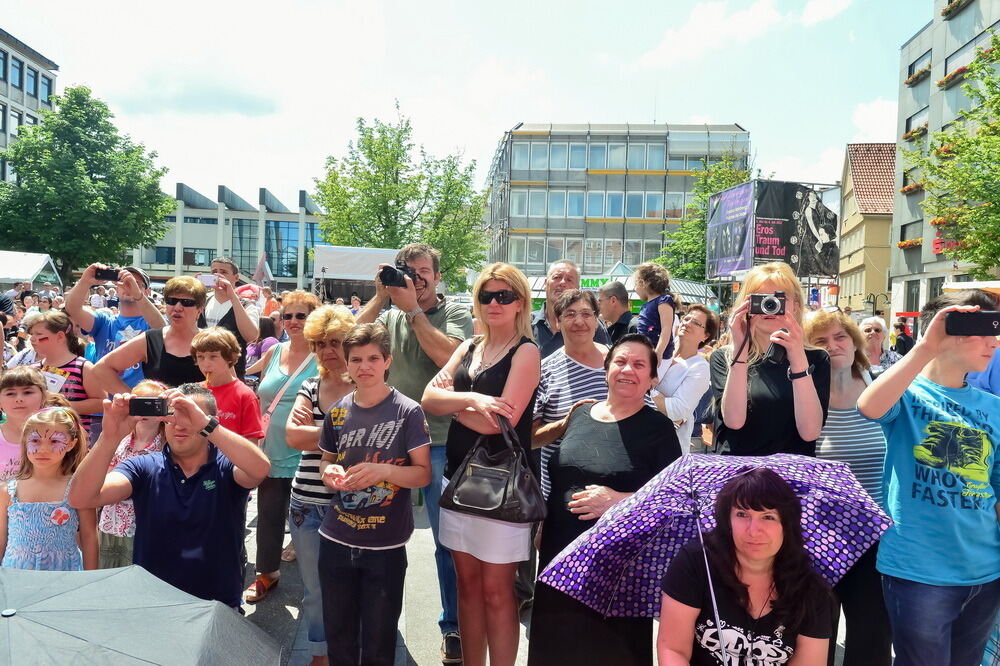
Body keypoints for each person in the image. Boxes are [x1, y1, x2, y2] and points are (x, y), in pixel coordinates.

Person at [857, 290, 1000, 666]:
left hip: (985, 568)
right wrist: (925, 346)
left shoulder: (994, 407)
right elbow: (869, 406)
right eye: (985, 330)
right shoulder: (906, 393)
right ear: (950, 332)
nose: (995, 342)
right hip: (918, 570)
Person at [528, 334, 682, 666]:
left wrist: (619, 500)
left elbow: (675, 501)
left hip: (618, 568)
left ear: (652, 378)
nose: (628, 370)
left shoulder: (659, 428)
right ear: (607, 368)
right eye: (621, 362)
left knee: (610, 651)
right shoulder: (580, 414)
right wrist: (544, 524)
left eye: (640, 365)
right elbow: (560, 474)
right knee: (556, 647)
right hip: (559, 556)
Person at [355, 242, 473, 663]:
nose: (416, 279)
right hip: (387, 442)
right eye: (408, 271)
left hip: (441, 440)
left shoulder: (456, 313)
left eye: (424, 272)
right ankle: (374, 620)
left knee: (446, 541)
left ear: (438, 277)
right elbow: (347, 340)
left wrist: (413, 311)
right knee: (374, 531)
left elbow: (452, 363)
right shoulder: (388, 312)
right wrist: (381, 295)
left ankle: (453, 625)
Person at [422, 262, 540, 666]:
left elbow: (499, 422)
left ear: (519, 302)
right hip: (458, 481)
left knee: (497, 592)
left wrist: (454, 406)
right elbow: (427, 398)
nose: (494, 303)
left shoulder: (526, 351)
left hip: (501, 488)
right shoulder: (469, 346)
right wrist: (471, 401)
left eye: (504, 295)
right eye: (486, 295)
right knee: (467, 589)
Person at [70, 384, 271, 607]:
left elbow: (260, 469)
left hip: (217, 602)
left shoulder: (225, 465)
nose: (179, 424)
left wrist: (205, 424)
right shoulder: (144, 466)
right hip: (154, 603)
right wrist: (109, 437)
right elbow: (81, 498)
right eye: (171, 415)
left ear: (209, 420)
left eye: (189, 415)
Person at [317, 323, 432, 666]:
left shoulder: (407, 411)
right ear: (347, 364)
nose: (364, 366)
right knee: (338, 633)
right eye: (356, 359)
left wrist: (384, 471)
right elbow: (325, 461)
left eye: (372, 358)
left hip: (385, 544)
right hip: (336, 537)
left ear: (387, 361)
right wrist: (331, 474)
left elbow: (423, 474)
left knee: (380, 639)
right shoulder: (337, 410)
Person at [658, 468, 831, 664]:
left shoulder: (810, 589)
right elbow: (673, 649)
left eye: (768, 517)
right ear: (727, 520)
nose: (753, 531)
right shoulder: (697, 563)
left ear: (787, 525)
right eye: (742, 514)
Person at [804, 309, 892, 665]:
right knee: (814, 640)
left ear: (855, 343)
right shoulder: (803, 395)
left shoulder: (881, 385)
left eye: (840, 337)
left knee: (872, 639)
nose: (833, 346)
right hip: (819, 539)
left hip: (877, 535)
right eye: (821, 341)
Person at [285, 305, 356, 664]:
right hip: (306, 504)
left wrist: (318, 432)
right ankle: (319, 653)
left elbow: (375, 439)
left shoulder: (368, 386)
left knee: (353, 587)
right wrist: (347, 433)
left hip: (354, 504)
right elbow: (292, 438)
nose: (328, 351)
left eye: (336, 342)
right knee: (315, 590)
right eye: (319, 344)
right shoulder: (310, 385)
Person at [244, 290, 319, 603]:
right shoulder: (275, 351)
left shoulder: (326, 353)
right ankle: (267, 573)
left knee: (313, 520)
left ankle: (318, 585)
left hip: (311, 452)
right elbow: (244, 372)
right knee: (270, 514)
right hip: (272, 449)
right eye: (287, 315)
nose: (293, 321)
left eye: (301, 315)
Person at [710, 262, 830, 456]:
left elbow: (810, 432)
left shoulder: (817, 358)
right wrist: (741, 349)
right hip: (741, 476)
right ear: (745, 305)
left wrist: (798, 357)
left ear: (796, 307)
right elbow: (734, 420)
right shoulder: (723, 357)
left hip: (791, 476)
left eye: (778, 298)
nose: (769, 305)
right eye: (761, 298)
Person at [532, 289, 613, 499]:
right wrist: (567, 423)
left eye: (586, 314)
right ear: (558, 322)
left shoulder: (619, 362)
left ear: (597, 321)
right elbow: (529, 439)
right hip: (562, 498)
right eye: (570, 314)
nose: (579, 321)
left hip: (616, 495)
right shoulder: (543, 371)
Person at [0, 406, 98, 570]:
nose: (43, 449)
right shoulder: (7, 491)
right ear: (24, 441)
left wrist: (92, 580)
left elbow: (89, 536)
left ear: (71, 444)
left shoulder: (77, 488)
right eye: (35, 440)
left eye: (54, 441)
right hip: (17, 576)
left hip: (64, 575)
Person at [92, 276, 208, 392]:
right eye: (171, 301)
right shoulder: (150, 340)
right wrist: (132, 400)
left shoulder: (211, 341)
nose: (177, 307)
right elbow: (101, 368)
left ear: (199, 309)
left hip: (203, 409)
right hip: (159, 410)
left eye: (186, 302)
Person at [96, 379, 166, 569]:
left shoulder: (165, 446)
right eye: (139, 403)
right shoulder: (120, 440)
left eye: (151, 404)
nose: (144, 410)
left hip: (144, 524)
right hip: (111, 521)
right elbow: (102, 474)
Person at [66, 264, 166, 390]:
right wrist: (85, 281)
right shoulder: (104, 321)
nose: (129, 286)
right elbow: (72, 309)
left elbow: (162, 329)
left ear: (147, 292)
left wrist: (137, 295)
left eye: (136, 284)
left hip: (140, 400)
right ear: (117, 289)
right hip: (106, 403)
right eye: (124, 282)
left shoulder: (150, 322)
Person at [27, 311, 105, 437]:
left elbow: (101, 403)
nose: (32, 339)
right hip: (39, 440)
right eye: (31, 334)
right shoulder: (33, 370)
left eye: (39, 334)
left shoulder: (83, 367)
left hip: (75, 443)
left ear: (60, 336)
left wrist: (60, 406)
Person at [654, 304, 720, 451]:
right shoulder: (661, 351)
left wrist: (644, 392)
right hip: (639, 436)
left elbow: (678, 409)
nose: (687, 323)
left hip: (668, 447)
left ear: (706, 335)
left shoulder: (699, 367)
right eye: (686, 318)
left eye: (696, 323)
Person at [192, 327, 266, 442]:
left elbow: (251, 445)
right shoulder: (194, 393)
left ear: (230, 358)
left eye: (213, 356)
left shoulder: (245, 396)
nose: (206, 363)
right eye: (200, 357)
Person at [532, 260, 611, 359]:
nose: (562, 283)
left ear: (577, 288)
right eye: (557, 277)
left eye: (569, 280)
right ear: (545, 283)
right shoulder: (526, 323)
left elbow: (606, 361)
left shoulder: (589, 325)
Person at [198, 257, 260, 379]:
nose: (218, 275)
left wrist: (232, 296)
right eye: (214, 271)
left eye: (223, 272)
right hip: (199, 374)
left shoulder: (247, 306)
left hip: (232, 377)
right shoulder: (202, 301)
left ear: (236, 277)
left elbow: (252, 336)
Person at [0, 366, 49, 481]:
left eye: (27, 392)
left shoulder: (57, 435)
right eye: (10, 393)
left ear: (43, 397)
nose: (19, 399)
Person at [633, 262, 677, 360]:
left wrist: (659, 352)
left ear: (641, 283)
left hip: (660, 356)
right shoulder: (645, 306)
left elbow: (666, 328)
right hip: (646, 353)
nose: (635, 289)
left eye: (635, 284)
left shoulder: (663, 301)